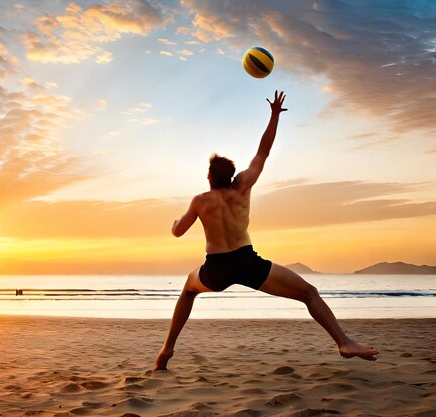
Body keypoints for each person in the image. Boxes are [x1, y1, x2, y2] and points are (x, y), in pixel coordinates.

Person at [153, 91, 378, 371]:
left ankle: (166, 351)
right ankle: (344, 342)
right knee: (308, 292)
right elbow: (263, 151)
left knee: (188, 290)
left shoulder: (200, 201)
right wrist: (273, 115)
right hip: (247, 263)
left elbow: (178, 232)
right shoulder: (243, 186)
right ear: (231, 175)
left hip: (217, 268)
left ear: (209, 177)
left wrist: (174, 223)